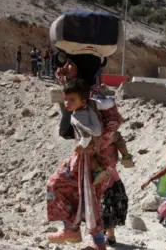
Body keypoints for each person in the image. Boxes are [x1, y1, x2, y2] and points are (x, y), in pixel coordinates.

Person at [46, 53, 124, 250]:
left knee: (88, 197)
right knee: (75, 193)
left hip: (91, 160)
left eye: (70, 64)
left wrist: (89, 144)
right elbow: (62, 76)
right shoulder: (81, 95)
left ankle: (92, 239)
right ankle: (76, 231)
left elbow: (109, 128)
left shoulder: (93, 101)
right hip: (83, 159)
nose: (65, 68)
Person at [64, 78, 108, 185]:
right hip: (99, 142)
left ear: (83, 101)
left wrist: (80, 145)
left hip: (90, 146)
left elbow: (86, 135)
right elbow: (107, 104)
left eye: (72, 100)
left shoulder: (79, 117)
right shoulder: (90, 105)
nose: (67, 103)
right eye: (65, 99)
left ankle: (98, 171)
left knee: (84, 153)